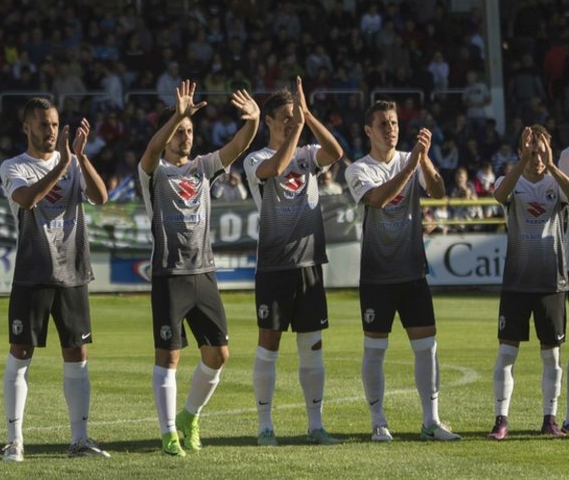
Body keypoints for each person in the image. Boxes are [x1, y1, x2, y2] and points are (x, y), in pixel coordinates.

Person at [139, 80, 259, 456]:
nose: (186, 136)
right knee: (169, 356)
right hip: (169, 275)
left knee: (219, 355)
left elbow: (237, 147)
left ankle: (190, 416)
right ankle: (168, 432)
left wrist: (253, 122)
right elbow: (149, 152)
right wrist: (177, 114)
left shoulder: (202, 168)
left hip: (204, 273)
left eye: (190, 131)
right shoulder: (154, 173)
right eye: (179, 131)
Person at [0, 97, 111, 462]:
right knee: (21, 352)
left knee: (77, 354)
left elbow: (101, 196)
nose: (50, 131)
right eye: (43, 124)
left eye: (54, 124)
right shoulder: (13, 166)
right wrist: (63, 164)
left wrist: (80, 157)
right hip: (33, 274)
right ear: (26, 127)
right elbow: (28, 199)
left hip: (73, 271)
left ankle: (79, 439)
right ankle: (15, 440)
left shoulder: (74, 162)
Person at [344, 100, 461, 442]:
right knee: (375, 350)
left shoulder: (411, 158)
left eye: (394, 123)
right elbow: (378, 199)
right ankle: (378, 422)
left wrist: (423, 159)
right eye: (382, 124)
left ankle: (431, 421)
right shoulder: (358, 169)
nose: (390, 129)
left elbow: (439, 192)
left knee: (427, 347)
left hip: (412, 272)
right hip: (377, 276)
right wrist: (410, 168)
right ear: (368, 131)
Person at [244, 78, 344, 446]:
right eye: (285, 116)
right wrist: (298, 128)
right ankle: (265, 426)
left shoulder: (308, 155)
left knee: (312, 345)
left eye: (294, 115)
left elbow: (335, 152)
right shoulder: (255, 159)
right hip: (274, 267)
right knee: (269, 344)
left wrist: (309, 115)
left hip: (309, 264)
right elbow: (275, 166)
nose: (291, 121)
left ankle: (315, 425)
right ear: (268, 120)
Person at [489, 126, 569, 439]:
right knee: (507, 354)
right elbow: (499, 195)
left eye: (542, 150)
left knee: (552, 357)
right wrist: (522, 162)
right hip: (516, 284)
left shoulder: (556, 184)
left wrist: (551, 166)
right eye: (532, 151)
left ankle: (549, 418)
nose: (537, 157)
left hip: (552, 284)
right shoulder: (511, 180)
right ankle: (501, 419)